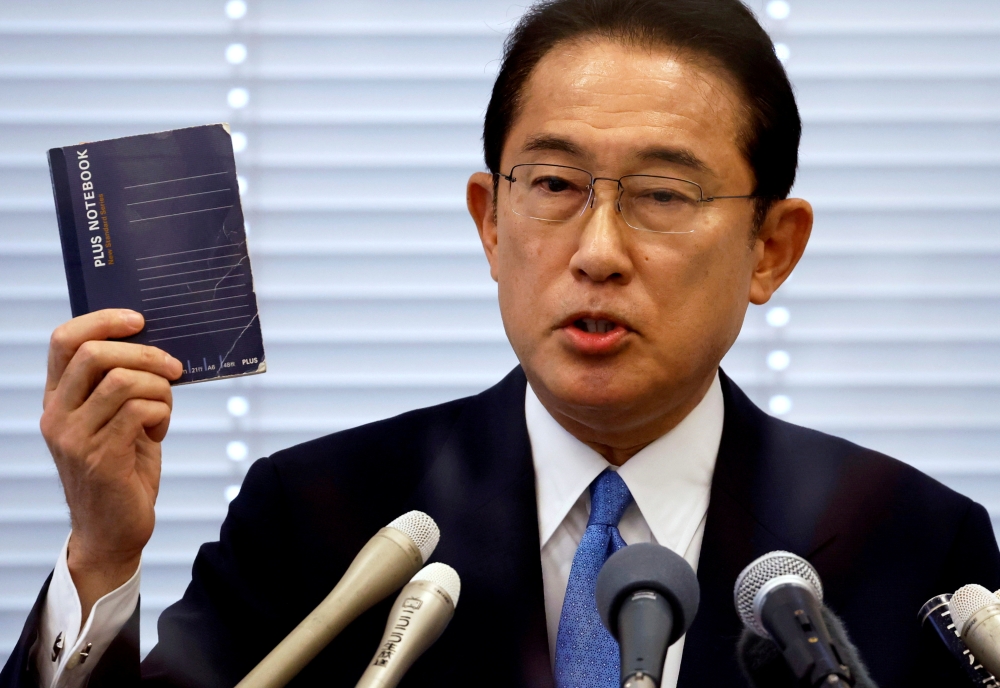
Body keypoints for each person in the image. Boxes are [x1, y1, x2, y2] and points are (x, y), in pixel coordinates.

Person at [3, 0, 999, 686]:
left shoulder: (910, 543)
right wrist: (101, 552)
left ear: (770, 248)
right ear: (490, 221)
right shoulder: (319, 519)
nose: (597, 252)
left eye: (660, 195)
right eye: (554, 187)